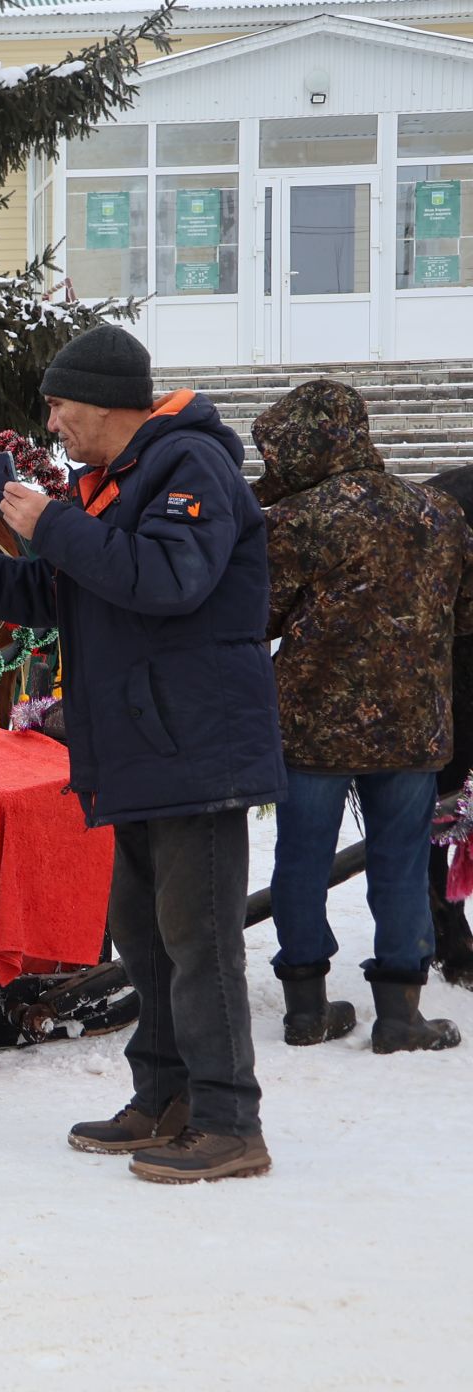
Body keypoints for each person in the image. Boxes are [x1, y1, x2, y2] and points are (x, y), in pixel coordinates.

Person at [0, 324, 284, 1184]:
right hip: (136, 746)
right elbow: (56, 591)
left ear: (106, 402)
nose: (54, 423)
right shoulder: (114, 481)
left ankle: (228, 1121)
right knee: (143, 939)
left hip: (193, 745)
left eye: (61, 405)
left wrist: (58, 524)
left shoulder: (191, 466)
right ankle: (164, 1098)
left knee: (199, 941)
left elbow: (168, 581)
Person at [257, 381, 471, 1053]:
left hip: (311, 726)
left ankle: (305, 1009)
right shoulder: (437, 511)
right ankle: (403, 1015)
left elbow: (258, 616)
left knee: (301, 860)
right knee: (403, 860)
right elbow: (465, 617)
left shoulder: (295, 520)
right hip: (414, 726)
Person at [426, 463, 473, 989]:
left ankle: (450, 936)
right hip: (450, 686)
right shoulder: (448, 499)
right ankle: (450, 935)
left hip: (442, 689)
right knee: (445, 814)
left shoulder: (442, 496)